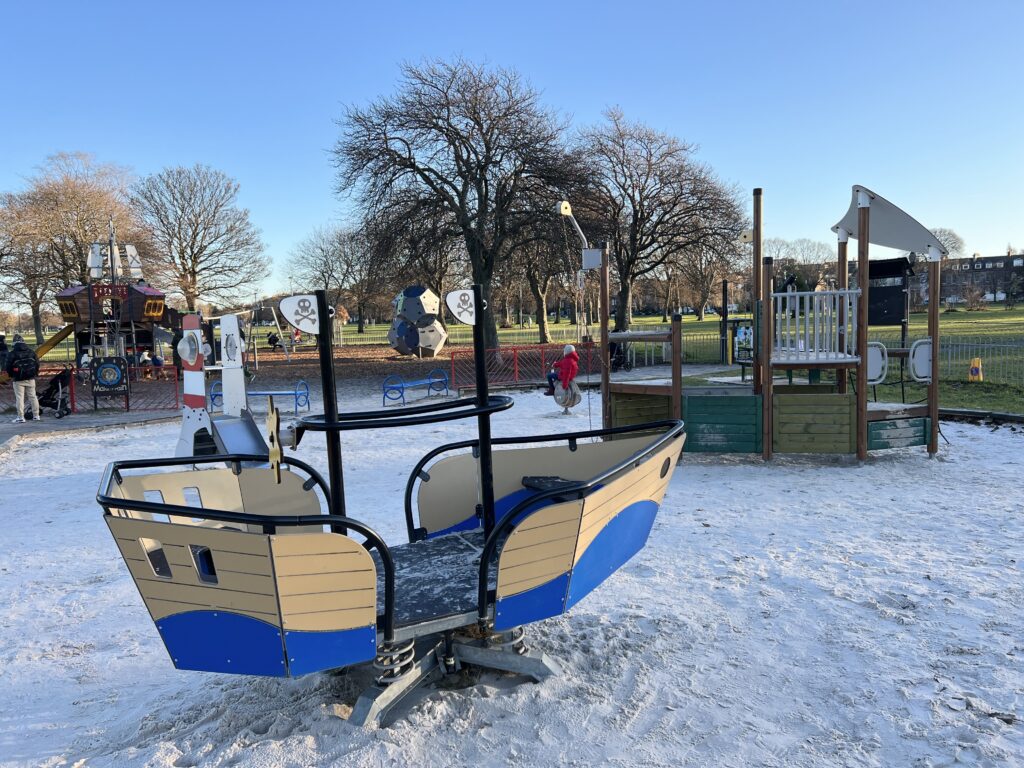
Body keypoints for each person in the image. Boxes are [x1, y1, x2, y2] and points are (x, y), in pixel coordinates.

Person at [5, 334, 41, 423]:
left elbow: (8, 366)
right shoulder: (31, 352)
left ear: (14, 343)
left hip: (18, 379)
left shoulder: (12, 353)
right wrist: (35, 373)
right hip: (31, 378)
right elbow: (37, 364)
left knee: (19, 398)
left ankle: (21, 417)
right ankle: (36, 415)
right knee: (33, 397)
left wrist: (11, 374)